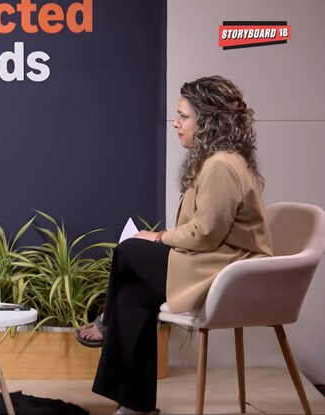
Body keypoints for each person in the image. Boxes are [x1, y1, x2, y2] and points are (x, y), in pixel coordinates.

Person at [74, 75, 272, 415]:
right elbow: (206, 230)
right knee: (132, 297)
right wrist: (160, 237)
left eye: (183, 116)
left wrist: (157, 237)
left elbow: (205, 235)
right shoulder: (216, 160)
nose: (176, 123)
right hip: (214, 262)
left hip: (227, 272)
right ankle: (136, 406)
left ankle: (105, 322)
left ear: (207, 122)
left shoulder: (221, 166)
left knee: (128, 250)